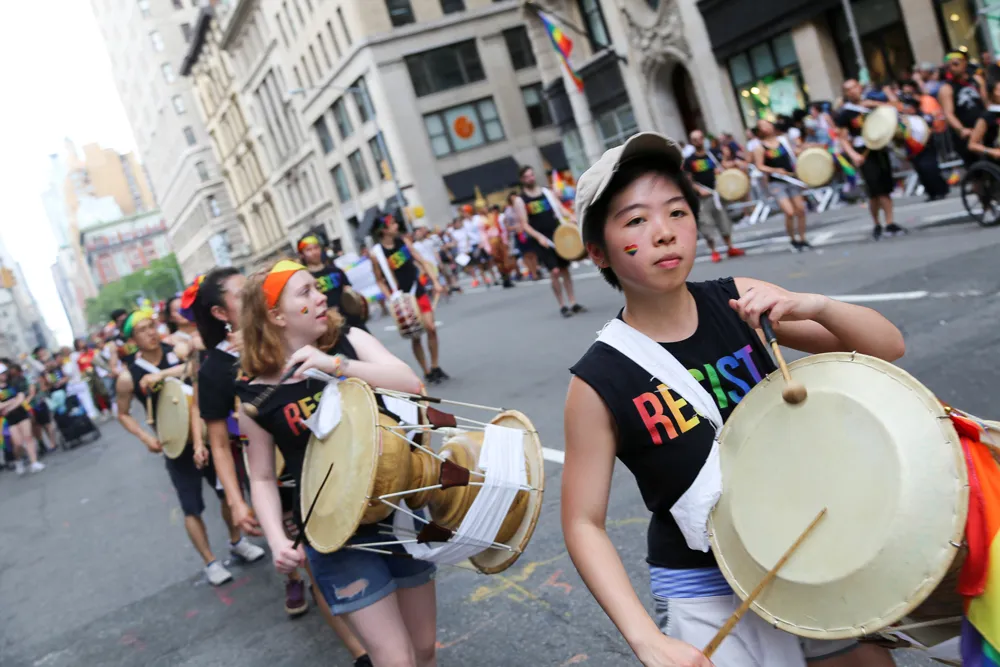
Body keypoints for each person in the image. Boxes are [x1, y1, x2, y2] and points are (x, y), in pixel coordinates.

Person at [563, 132, 905, 667]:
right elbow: (583, 522)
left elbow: (887, 348)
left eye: (677, 212)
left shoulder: (740, 301)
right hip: (705, 589)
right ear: (597, 252)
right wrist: (647, 640)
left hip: (805, 551)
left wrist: (813, 305)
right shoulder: (597, 380)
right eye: (635, 221)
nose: (663, 232)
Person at [236, 261, 435, 667]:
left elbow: (411, 384)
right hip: (334, 535)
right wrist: (276, 540)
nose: (320, 295)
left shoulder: (350, 341)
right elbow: (261, 477)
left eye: (316, 287)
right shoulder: (256, 397)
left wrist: (336, 365)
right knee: (395, 660)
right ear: (276, 316)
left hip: (397, 511)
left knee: (424, 647)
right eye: (305, 292)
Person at [115, 308, 265, 586]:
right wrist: (146, 438)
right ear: (132, 339)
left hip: (206, 435)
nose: (150, 333)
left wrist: (163, 375)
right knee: (191, 507)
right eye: (142, 330)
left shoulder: (177, 350)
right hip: (175, 446)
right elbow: (122, 413)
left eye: (152, 326)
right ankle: (210, 561)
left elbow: (196, 368)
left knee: (225, 492)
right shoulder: (128, 376)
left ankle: (236, 542)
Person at [370, 215, 449, 385]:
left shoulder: (404, 242)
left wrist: (435, 281)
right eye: (392, 224)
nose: (396, 225)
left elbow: (421, 260)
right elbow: (379, 280)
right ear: (384, 230)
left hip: (417, 290)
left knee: (431, 328)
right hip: (402, 299)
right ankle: (426, 371)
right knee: (415, 335)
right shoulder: (377, 254)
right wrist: (391, 298)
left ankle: (435, 366)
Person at [513, 165, 586, 318]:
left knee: (564, 269)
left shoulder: (546, 192)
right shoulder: (521, 200)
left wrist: (571, 217)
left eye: (531, 175)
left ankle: (573, 302)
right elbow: (524, 224)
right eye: (527, 176)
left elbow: (560, 208)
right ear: (522, 179)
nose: (530, 178)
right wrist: (539, 237)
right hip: (541, 240)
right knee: (554, 271)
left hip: (558, 235)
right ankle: (562, 305)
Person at [836, 80, 905, 240]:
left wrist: (874, 104)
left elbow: (895, 108)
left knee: (885, 188)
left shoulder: (873, 104)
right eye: (848, 90)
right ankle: (877, 223)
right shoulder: (846, 113)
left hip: (880, 148)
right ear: (845, 94)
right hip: (863, 151)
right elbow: (843, 139)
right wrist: (854, 155)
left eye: (854, 87)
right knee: (875, 190)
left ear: (859, 88)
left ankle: (890, 222)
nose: (852, 91)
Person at [682, 130, 746, 263]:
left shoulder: (712, 154)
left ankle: (730, 247)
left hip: (717, 193)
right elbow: (688, 180)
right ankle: (714, 251)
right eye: (694, 139)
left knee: (724, 221)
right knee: (706, 224)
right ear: (691, 142)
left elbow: (722, 167)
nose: (698, 141)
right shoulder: (689, 160)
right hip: (702, 198)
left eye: (700, 138)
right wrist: (698, 189)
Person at [753, 120, 811, 250]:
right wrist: (775, 170)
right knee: (789, 212)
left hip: (791, 178)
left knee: (800, 209)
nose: (767, 127)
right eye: (763, 126)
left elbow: (794, 152)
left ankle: (802, 238)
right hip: (776, 182)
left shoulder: (783, 140)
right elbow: (759, 166)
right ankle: (792, 239)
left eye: (768, 124)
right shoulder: (760, 147)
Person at [298, 235, 368, 332]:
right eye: (309, 250)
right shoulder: (305, 280)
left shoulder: (336, 271)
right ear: (302, 254)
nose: (314, 252)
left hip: (352, 321)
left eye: (316, 248)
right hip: (329, 327)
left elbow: (349, 293)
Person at [897, 80, 950, 201]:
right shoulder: (903, 119)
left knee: (931, 169)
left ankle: (941, 190)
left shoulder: (922, 116)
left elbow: (929, 127)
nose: (907, 108)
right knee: (921, 170)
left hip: (927, 146)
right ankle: (931, 192)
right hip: (913, 149)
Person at [939, 51, 986, 167]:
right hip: (967, 135)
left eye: (956, 64)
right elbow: (948, 114)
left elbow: (987, 103)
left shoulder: (977, 80)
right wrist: (961, 129)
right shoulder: (947, 88)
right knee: (976, 167)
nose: (952, 68)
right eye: (949, 66)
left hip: (985, 129)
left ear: (964, 63)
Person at [1, 362, 44, 474]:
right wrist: (10, 402)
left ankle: (34, 462)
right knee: (18, 443)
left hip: (21, 414)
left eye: (4, 373)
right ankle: (18, 459)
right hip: (9, 419)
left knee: (28, 437)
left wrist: (9, 407)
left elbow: (20, 398)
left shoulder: (14, 383)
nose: (3, 376)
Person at [481, 204, 516, 288]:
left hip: (501, 241)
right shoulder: (482, 220)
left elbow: (503, 229)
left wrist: (505, 240)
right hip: (493, 243)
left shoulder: (497, 217)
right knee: (498, 261)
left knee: (506, 260)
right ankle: (504, 278)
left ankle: (508, 278)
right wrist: (487, 246)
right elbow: (484, 234)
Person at [967, 78, 1000, 163]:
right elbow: (972, 145)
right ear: (992, 94)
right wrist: (991, 151)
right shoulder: (987, 116)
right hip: (995, 163)